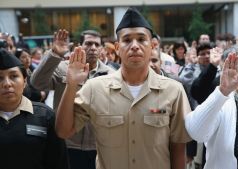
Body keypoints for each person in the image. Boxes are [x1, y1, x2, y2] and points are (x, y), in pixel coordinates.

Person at [55, 7, 191, 169]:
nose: (134, 46)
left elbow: (178, 147)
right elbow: (63, 131)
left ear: (153, 45)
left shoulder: (173, 90)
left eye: (141, 39)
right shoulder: (95, 88)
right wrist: (71, 86)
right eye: (127, 40)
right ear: (117, 47)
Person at [30, 29, 115, 169]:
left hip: (99, 146)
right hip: (67, 144)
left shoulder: (111, 75)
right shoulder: (63, 68)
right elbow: (37, 83)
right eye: (88, 43)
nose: (93, 48)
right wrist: (55, 54)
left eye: (96, 45)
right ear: (79, 45)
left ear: (101, 49)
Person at [0, 49, 69, 169]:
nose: (7, 84)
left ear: (25, 81)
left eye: (14, 76)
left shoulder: (45, 116)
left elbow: (59, 162)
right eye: (0, 78)